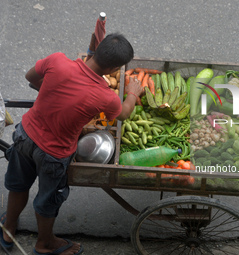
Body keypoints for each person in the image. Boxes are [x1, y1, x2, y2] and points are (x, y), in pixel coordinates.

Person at [0, 33, 143, 255]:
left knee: (18, 185)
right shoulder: (106, 97)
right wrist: (133, 94)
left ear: (96, 50)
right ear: (113, 68)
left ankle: (7, 229)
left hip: (25, 135)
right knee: (48, 200)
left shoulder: (57, 60)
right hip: (53, 155)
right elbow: (123, 114)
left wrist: (54, 95)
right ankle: (44, 244)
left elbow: (31, 77)